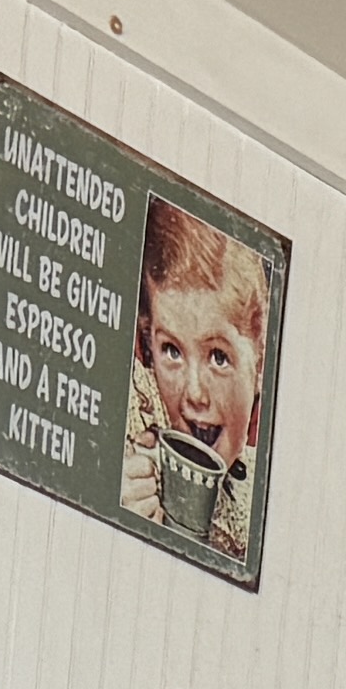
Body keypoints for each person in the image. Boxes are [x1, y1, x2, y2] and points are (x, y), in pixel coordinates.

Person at [121, 198, 273, 559]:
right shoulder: (135, 445)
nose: (194, 393)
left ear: (259, 364)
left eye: (218, 357)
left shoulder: (268, 500)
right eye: (172, 351)